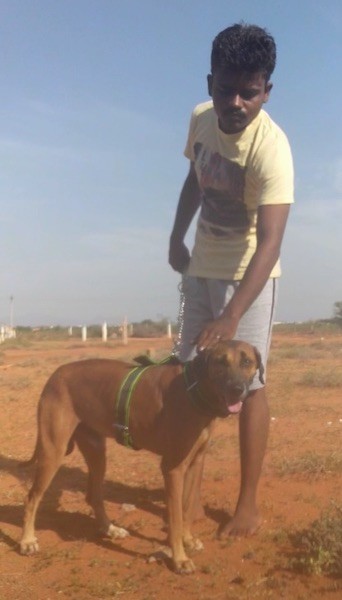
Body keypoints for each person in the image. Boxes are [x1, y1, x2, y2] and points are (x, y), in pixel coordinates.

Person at [168, 22, 294, 537]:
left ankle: (246, 505)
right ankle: (188, 493)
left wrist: (232, 314)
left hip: (249, 277)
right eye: (226, 89)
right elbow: (194, 178)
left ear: (266, 90)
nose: (236, 102)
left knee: (251, 384)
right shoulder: (201, 120)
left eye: (249, 91)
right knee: (189, 373)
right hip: (201, 266)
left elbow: (270, 242)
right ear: (209, 84)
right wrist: (177, 236)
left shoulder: (273, 149)